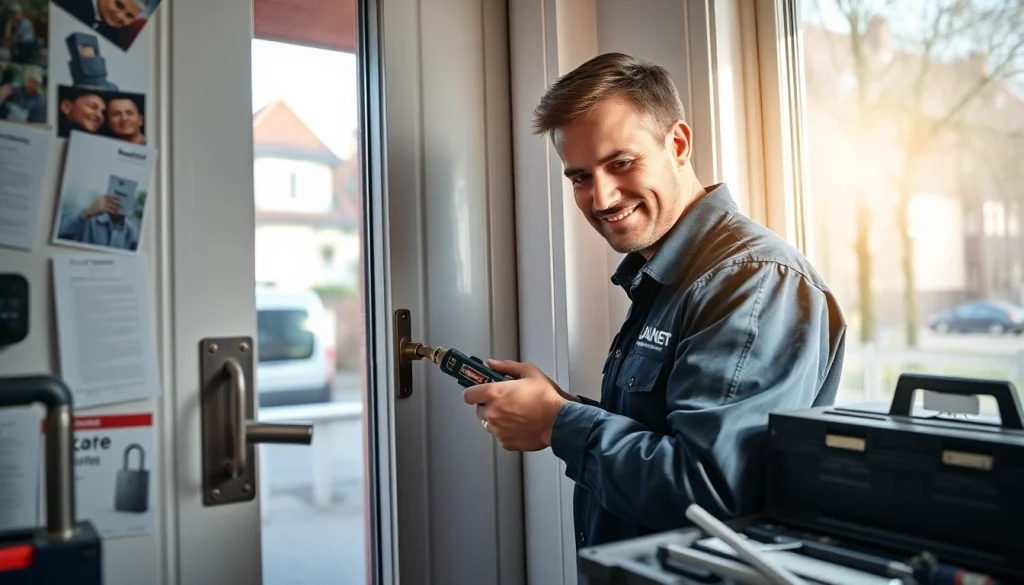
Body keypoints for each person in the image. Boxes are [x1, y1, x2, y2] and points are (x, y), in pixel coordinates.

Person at [462, 53, 847, 549]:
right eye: (580, 177)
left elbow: (711, 491)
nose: (601, 198)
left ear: (678, 144)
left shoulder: (751, 281)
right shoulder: (668, 276)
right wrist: (559, 408)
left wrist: (557, 423)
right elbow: (662, 436)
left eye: (620, 164)